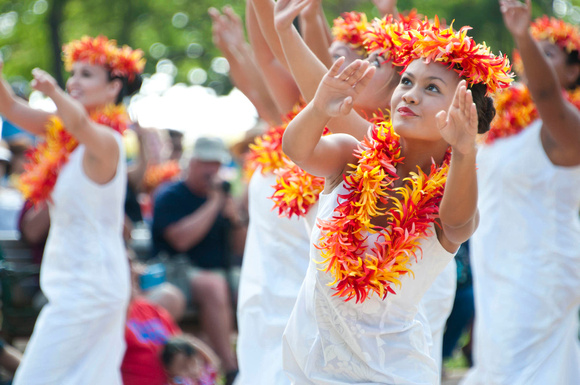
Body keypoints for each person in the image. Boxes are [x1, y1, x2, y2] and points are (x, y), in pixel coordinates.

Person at [280, 16, 508, 383]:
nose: (411, 94)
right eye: (406, 81)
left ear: (464, 112)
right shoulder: (352, 156)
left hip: (392, 373)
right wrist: (319, 105)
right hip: (308, 365)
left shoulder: (451, 194)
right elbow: (297, 149)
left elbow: (458, 223)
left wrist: (465, 153)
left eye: (432, 88)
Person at [0, 35, 144, 384]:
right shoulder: (60, 132)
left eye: (86, 75)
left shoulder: (107, 141)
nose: (74, 81)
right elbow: (11, 108)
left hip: (92, 285)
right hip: (71, 281)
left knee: (35, 378)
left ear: (113, 88)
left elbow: (79, 124)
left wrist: (52, 92)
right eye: (73, 73)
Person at [462, 1, 580, 384]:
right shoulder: (504, 125)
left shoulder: (566, 127)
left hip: (540, 271)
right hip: (495, 263)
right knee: (497, 364)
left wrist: (522, 34)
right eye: (532, 52)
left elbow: (547, 97)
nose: (534, 61)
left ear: (574, 70)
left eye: (548, 54)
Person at [151, 136, 243, 382]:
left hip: (221, 271)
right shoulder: (169, 195)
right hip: (176, 272)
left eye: (216, 164)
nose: (212, 170)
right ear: (191, 163)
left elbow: (240, 248)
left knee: (254, 283)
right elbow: (180, 241)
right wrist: (213, 205)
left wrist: (234, 220)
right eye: (206, 163)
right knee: (213, 285)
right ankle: (230, 367)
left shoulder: (223, 196)